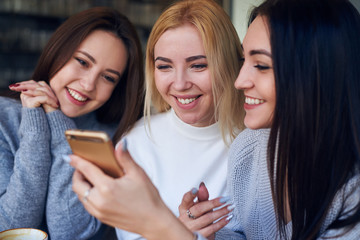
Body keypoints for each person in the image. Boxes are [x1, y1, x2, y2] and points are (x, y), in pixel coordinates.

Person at [70, 0, 360, 239]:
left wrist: (161, 225)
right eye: (164, 66)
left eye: (260, 65)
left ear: (317, 72)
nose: (240, 79)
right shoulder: (252, 148)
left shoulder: (350, 187)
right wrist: (203, 233)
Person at [70, 0, 244, 239]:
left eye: (198, 65)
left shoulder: (260, 143)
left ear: (230, 63)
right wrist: (178, 231)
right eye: (165, 67)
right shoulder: (136, 142)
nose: (180, 84)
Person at [0, 6, 144, 240]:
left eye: (108, 77)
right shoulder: (3, 119)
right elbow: (10, 228)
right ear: (58, 52)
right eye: (83, 62)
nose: (88, 84)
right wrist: (36, 132)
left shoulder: (114, 140)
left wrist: (60, 127)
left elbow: (68, 233)